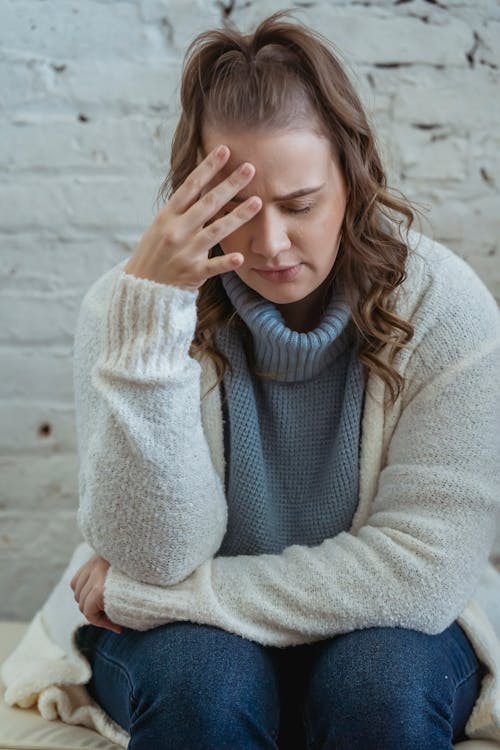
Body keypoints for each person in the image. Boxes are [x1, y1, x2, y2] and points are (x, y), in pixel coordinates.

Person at [2, 9, 500, 750]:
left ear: (352, 178)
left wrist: (144, 594)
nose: (268, 246)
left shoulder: (442, 304)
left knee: (379, 687)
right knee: (205, 684)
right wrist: (152, 322)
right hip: (182, 639)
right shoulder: (128, 304)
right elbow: (160, 553)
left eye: (301, 205)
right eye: (237, 208)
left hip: (368, 627)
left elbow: (420, 572)